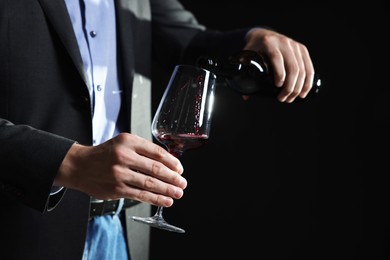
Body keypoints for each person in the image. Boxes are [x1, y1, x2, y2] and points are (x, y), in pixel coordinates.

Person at [0, 0, 316, 259]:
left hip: (124, 231)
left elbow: (192, 44)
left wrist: (254, 38)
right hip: (22, 233)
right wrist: (69, 162)